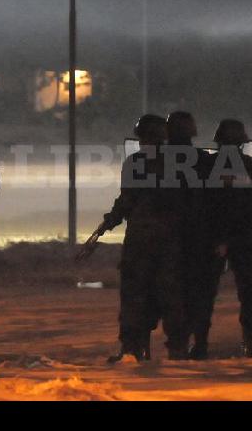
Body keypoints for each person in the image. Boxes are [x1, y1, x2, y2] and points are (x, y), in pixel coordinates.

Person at [100, 114, 188, 362]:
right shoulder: (180, 163)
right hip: (170, 238)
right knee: (171, 296)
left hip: (140, 238)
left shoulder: (135, 163)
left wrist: (110, 221)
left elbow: (127, 199)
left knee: (134, 295)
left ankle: (131, 348)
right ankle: (178, 348)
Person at [206, 119, 252, 357]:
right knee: (250, 292)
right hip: (244, 235)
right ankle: (250, 339)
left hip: (214, 235)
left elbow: (201, 204)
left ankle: (199, 341)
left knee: (204, 292)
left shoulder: (207, 166)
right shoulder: (251, 166)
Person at [165, 111, 217, 360]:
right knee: (200, 293)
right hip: (199, 236)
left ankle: (179, 343)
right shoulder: (204, 160)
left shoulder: (157, 160)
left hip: (176, 236)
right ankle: (199, 342)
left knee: (174, 293)